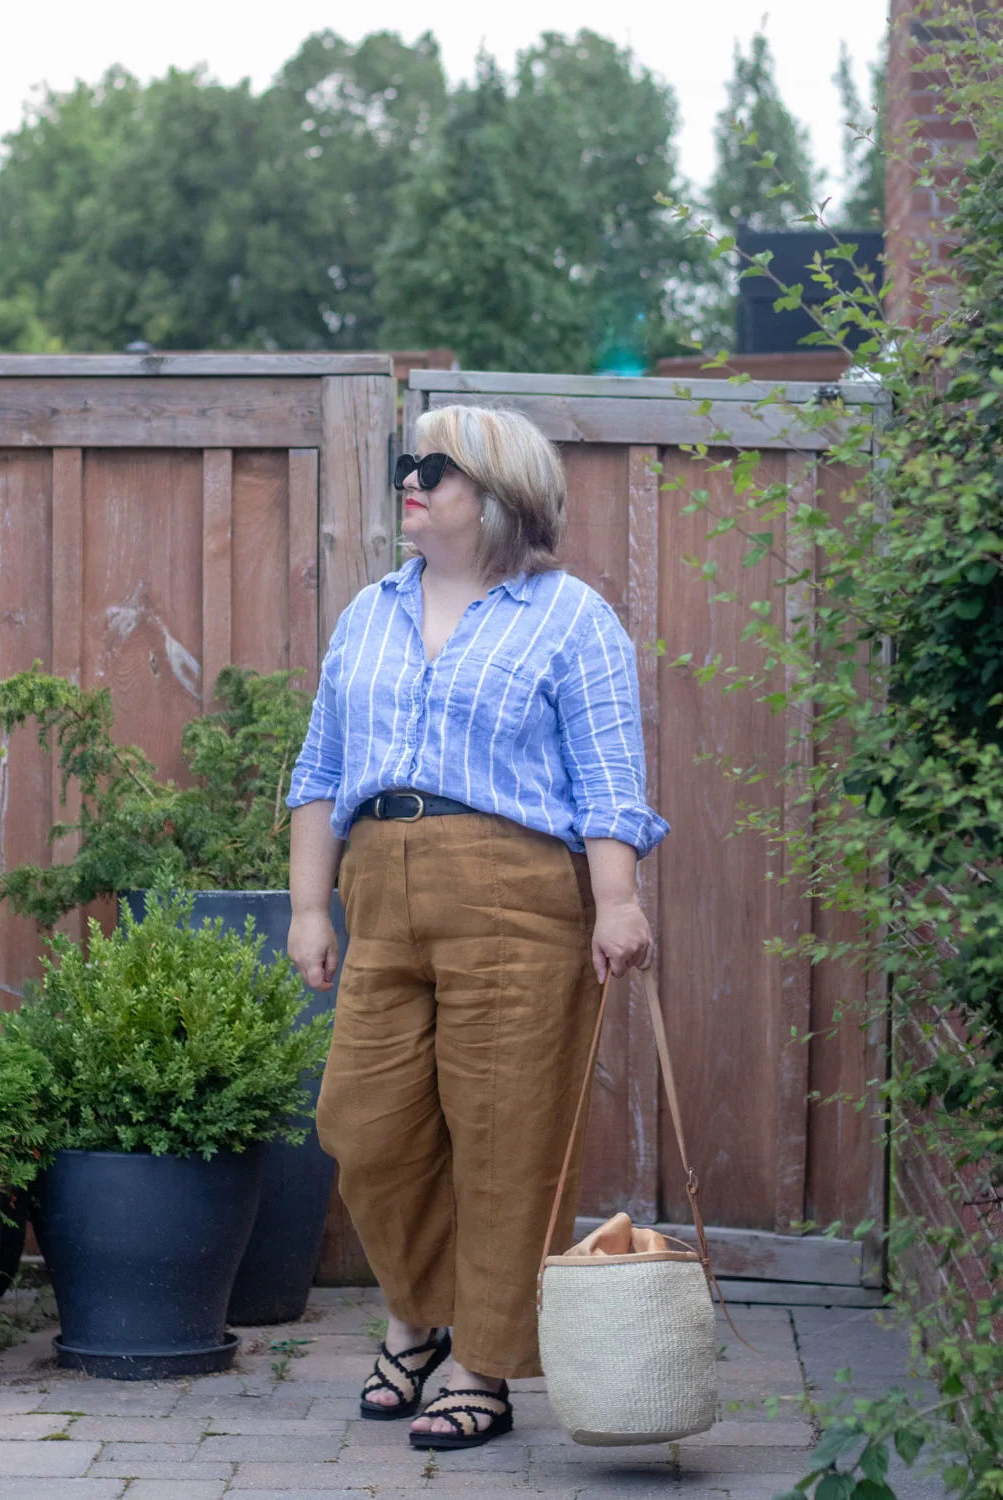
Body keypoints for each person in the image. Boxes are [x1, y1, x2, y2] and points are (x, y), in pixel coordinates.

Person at [286, 403, 668, 1451]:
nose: (409, 478)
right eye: (407, 462)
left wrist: (617, 899)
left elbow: (607, 781)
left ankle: (475, 1362)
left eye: (434, 466)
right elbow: (319, 771)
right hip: (379, 883)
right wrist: (309, 906)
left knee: (505, 1141)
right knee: (360, 1126)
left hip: (515, 891)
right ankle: (422, 1305)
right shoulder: (369, 611)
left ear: (496, 492)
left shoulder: (569, 617)